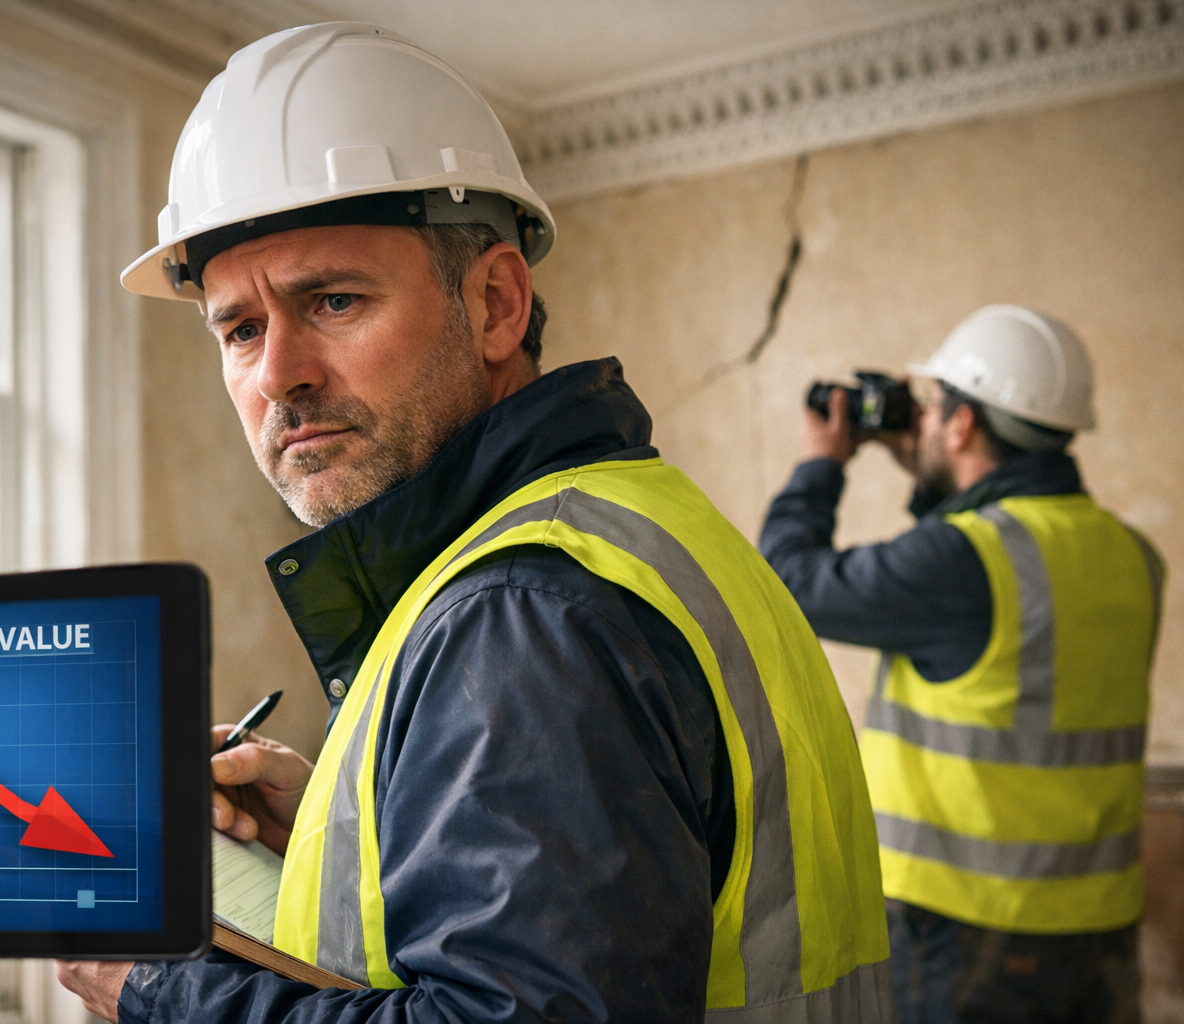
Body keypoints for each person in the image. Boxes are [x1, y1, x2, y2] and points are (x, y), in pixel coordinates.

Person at [59, 21, 892, 1023]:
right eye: (239, 328)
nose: (278, 373)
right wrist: (359, 827)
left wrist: (162, 991)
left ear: (495, 302)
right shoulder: (623, 521)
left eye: (330, 299)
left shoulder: (525, 611)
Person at [760, 305, 1165, 1024]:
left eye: (937, 406)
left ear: (965, 424)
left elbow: (785, 583)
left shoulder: (966, 560)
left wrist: (822, 462)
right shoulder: (1133, 558)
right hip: (1100, 929)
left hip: (967, 933)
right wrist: (932, 473)